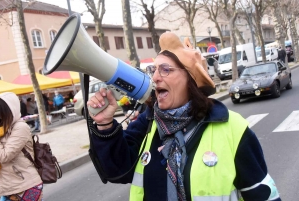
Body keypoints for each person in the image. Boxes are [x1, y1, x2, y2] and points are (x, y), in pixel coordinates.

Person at [86, 32, 281, 201]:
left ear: (190, 79)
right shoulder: (149, 122)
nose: (154, 78)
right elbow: (117, 170)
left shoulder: (233, 129)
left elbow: (262, 194)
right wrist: (105, 125)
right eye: (154, 70)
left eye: (165, 70)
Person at [0, 92, 43, 200]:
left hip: (25, 186)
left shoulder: (20, 127)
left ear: (10, 110)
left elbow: (4, 156)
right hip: (7, 187)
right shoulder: (1, 129)